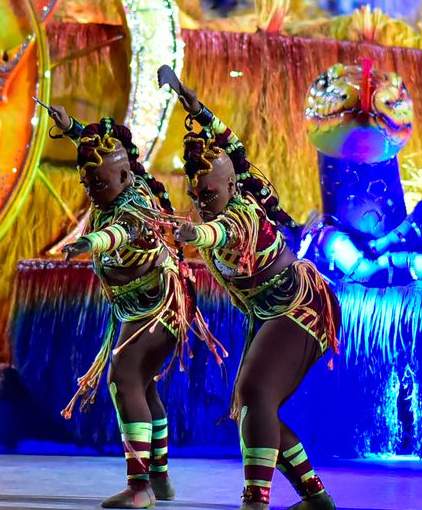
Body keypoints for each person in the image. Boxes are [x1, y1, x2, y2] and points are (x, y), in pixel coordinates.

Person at [159, 65, 340, 510]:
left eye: (211, 194)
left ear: (232, 187)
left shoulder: (241, 213)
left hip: (301, 306)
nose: (203, 204)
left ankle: (255, 501)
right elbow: (232, 143)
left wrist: (193, 236)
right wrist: (194, 106)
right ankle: (316, 499)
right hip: (268, 314)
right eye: (198, 195)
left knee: (257, 394)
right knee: (255, 407)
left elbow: (219, 233)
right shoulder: (231, 186)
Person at [47, 104, 220, 509]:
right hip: (140, 306)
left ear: (124, 176)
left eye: (99, 182)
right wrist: (72, 127)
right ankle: (158, 480)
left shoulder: (133, 205)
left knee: (123, 380)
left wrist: (90, 242)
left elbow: (121, 233)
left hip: (158, 306)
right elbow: (98, 156)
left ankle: (140, 486)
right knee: (141, 385)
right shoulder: (122, 184)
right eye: (87, 181)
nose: (91, 188)